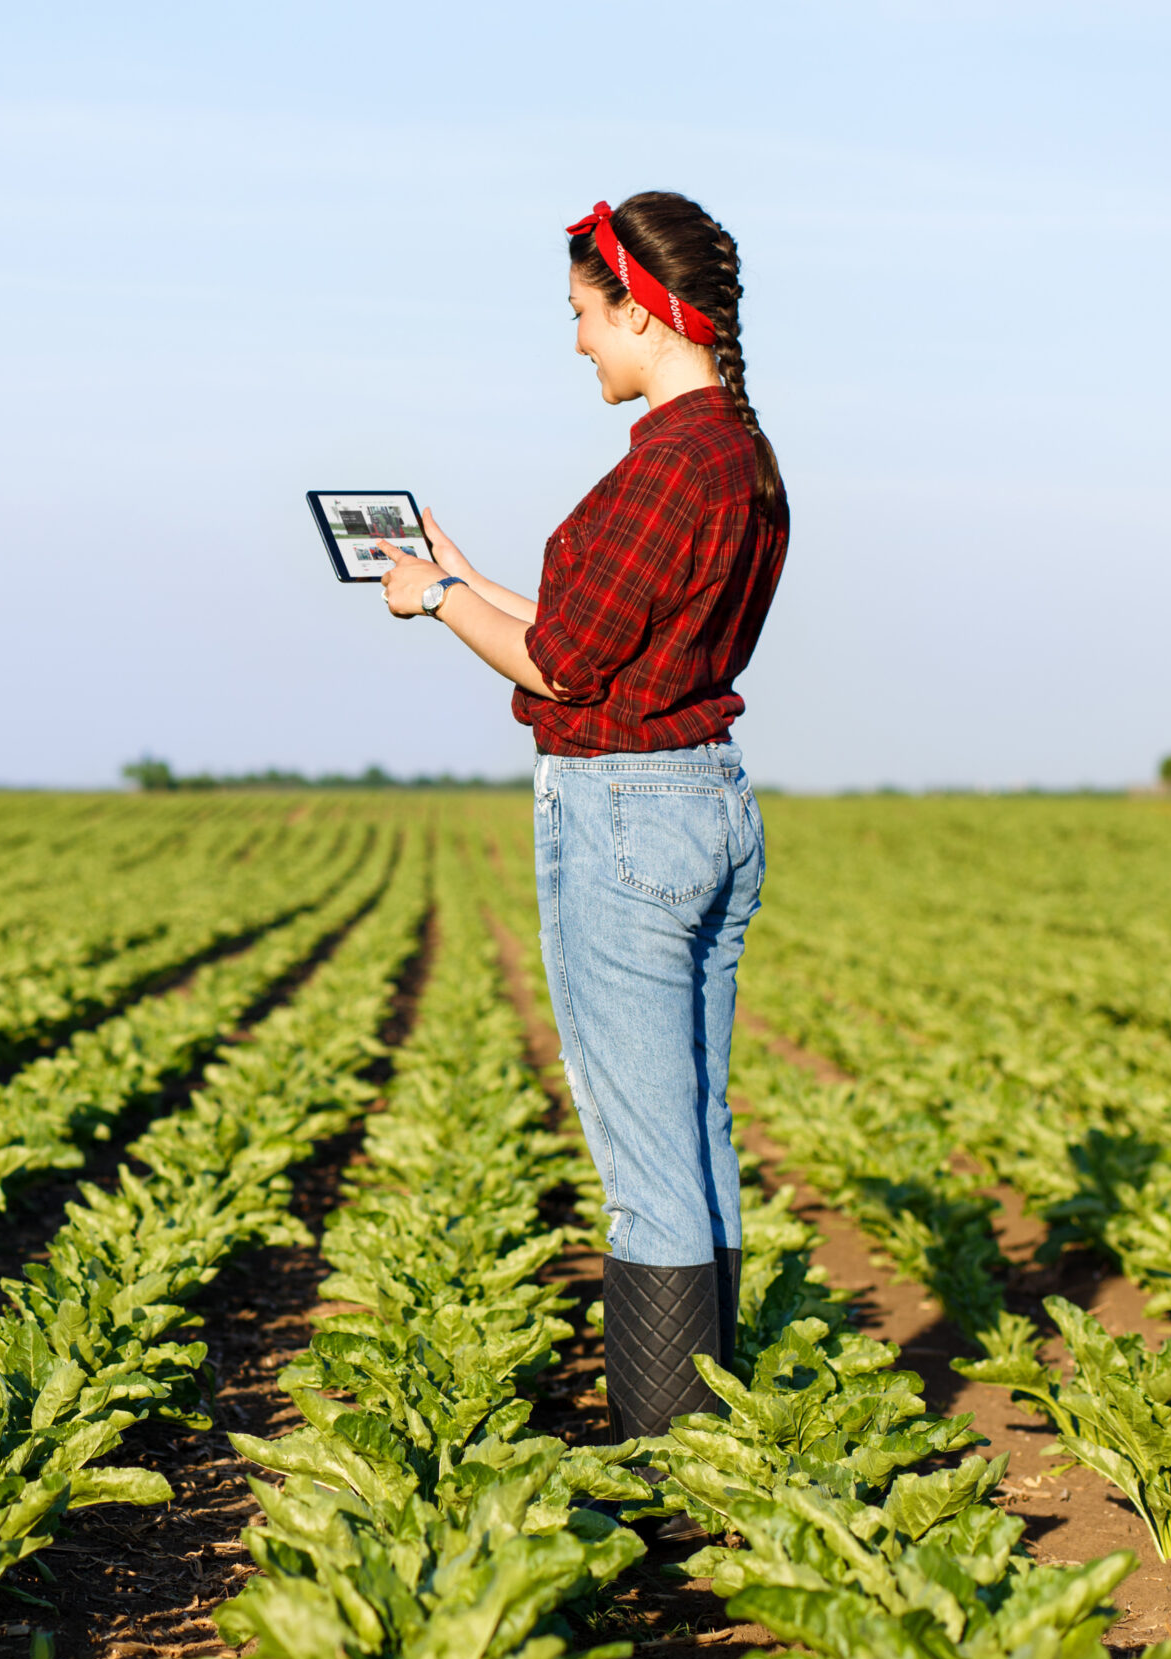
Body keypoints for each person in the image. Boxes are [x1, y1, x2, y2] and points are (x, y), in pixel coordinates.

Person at [374, 190, 788, 1448]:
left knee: (642, 1153)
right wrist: (458, 570)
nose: (575, 344)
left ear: (647, 312)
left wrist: (435, 604)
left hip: (627, 816)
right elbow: (608, 641)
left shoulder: (664, 467)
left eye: (583, 315)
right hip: (708, 795)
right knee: (696, 1125)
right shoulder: (740, 456)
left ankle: (665, 1457)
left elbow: (559, 669)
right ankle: (722, 1423)